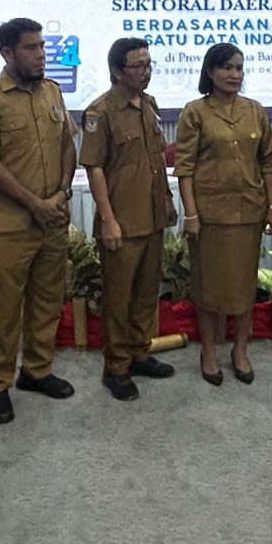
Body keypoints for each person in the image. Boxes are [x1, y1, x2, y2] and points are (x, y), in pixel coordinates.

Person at [0, 18, 77, 424]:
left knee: (47, 299)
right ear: (8, 52)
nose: (41, 54)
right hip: (11, 224)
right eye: (31, 48)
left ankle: (37, 370)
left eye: (42, 46)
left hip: (53, 218)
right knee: (4, 309)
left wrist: (61, 193)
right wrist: (35, 203)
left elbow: (68, 144)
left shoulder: (52, 91)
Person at [80, 37, 178, 400]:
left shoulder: (148, 104)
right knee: (118, 298)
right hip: (121, 220)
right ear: (117, 71)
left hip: (152, 217)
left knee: (146, 293)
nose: (145, 71)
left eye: (149, 64)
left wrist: (165, 204)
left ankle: (139, 352)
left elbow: (155, 160)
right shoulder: (100, 112)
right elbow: (95, 168)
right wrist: (108, 219)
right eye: (138, 66)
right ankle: (117, 366)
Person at [174, 45, 272, 385]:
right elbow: (184, 168)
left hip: (249, 212)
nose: (234, 74)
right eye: (226, 68)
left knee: (244, 286)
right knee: (208, 287)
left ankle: (240, 350)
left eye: (239, 68)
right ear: (210, 72)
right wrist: (191, 214)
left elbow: (268, 162)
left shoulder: (255, 110)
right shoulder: (195, 112)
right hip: (210, 215)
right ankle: (208, 352)